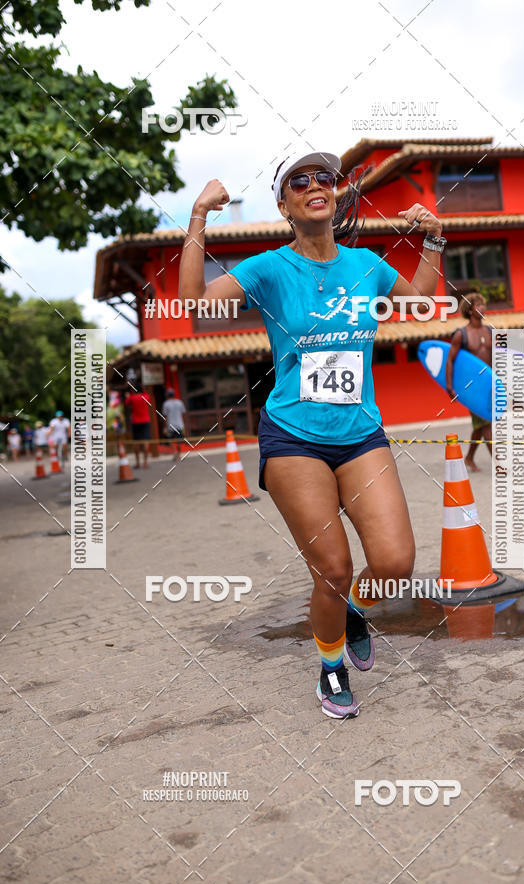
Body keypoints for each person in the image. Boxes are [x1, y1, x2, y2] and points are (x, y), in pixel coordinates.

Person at [179, 150, 446, 718]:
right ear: (284, 205)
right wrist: (200, 215)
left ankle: (353, 609)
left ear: (336, 193)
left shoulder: (367, 266)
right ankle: (330, 667)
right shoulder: (269, 268)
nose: (315, 185)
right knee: (333, 568)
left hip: (361, 435)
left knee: (395, 565)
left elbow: (421, 304)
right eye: (299, 181)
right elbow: (194, 304)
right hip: (293, 436)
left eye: (325, 176)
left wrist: (435, 242)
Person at [445, 292, 493, 472]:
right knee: (486, 422)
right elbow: (450, 360)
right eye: (478, 305)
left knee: (480, 426)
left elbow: (497, 358)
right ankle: (499, 463)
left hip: (488, 385)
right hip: (472, 387)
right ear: (470, 310)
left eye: (483, 304)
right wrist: (450, 386)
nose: (482, 308)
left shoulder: (489, 331)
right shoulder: (461, 335)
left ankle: (469, 458)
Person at [124, 385, 151, 468]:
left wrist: (128, 395)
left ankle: (138, 463)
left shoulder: (132, 397)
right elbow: (148, 401)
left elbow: (127, 404)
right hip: (146, 420)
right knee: (146, 441)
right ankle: (145, 462)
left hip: (135, 422)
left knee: (136, 442)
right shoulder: (146, 396)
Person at [162, 388, 187, 460]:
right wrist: (184, 424)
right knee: (179, 440)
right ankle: (178, 454)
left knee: (170, 440)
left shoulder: (166, 404)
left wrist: (164, 427)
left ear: (167, 395)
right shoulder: (180, 402)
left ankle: (174, 452)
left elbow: (165, 416)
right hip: (180, 424)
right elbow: (183, 414)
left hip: (170, 425)